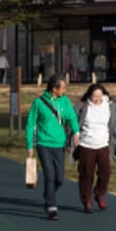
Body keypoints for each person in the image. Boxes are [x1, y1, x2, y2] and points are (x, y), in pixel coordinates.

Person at [26, 74, 80, 220]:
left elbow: (72, 117)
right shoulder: (38, 103)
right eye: (63, 88)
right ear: (54, 89)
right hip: (43, 143)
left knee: (60, 178)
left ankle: (48, 193)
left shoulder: (65, 101)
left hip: (59, 144)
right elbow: (31, 124)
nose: (65, 90)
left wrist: (76, 131)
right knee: (49, 174)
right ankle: (51, 206)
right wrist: (30, 144)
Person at [74, 83, 116, 213]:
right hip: (86, 145)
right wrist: (74, 136)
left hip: (103, 145)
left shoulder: (110, 107)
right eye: (94, 97)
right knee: (86, 174)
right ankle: (86, 200)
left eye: (100, 97)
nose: (97, 100)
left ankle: (99, 193)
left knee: (105, 173)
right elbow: (73, 123)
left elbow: (115, 126)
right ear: (89, 96)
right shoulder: (82, 106)